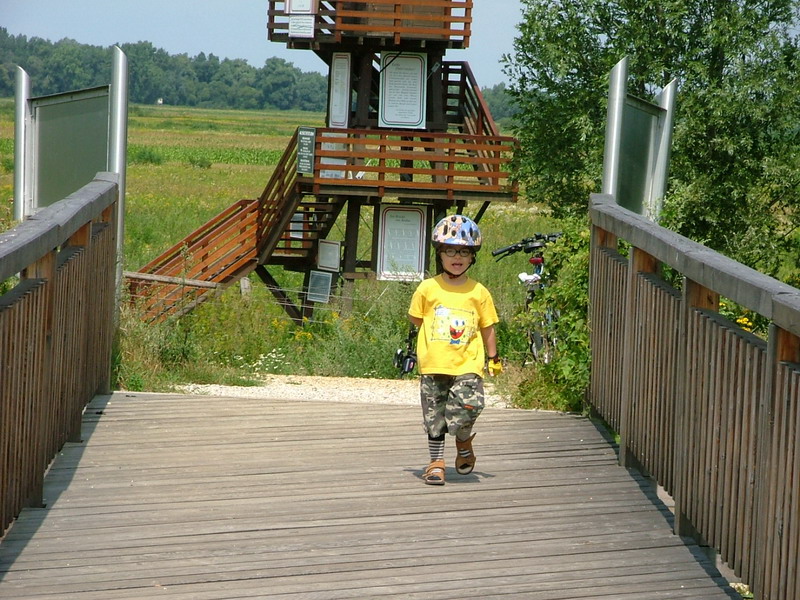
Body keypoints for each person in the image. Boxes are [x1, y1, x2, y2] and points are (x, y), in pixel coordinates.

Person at [407, 214, 503, 486]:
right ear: (440, 254)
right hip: (434, 363)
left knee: (468, 407)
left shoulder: (478, 292)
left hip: (467, 363)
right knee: (434, 417)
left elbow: (487, 327)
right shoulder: (428, 288)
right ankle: (436, 463)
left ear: (472, 257)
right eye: (450, 251)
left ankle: (463, 441)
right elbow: (416, 319)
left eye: (464, 252)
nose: (457, 257)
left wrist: (493, 357)